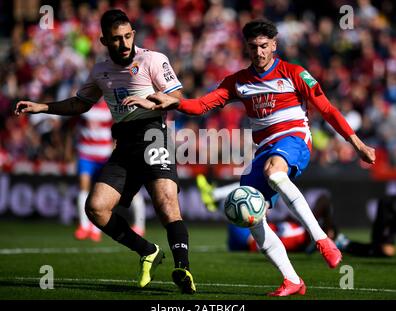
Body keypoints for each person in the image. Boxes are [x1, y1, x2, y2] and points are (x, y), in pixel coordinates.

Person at [129, 19, 376, 296]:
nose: (258, 52)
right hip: (265, 149)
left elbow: (328, 110)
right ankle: (292, 280)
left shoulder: (294, 73)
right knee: (252, 217)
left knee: (275, 172)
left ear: (274, 45)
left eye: (263, 46)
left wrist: (357, 144)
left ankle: (322, 240)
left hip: (294, 140)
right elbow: (202, 105)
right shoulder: (239, 82)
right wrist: (174, 101)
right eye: (252, 47)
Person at [15, 9, 195, 294]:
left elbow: (177, 98)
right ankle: (147, 250)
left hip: (153, 135)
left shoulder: (153, 59)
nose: (124, 44)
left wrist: (153, 103)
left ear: (133, 34)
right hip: (124, 144)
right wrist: (43, 107)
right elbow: (80, 103)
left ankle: (183, 267)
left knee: (166, 201)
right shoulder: (100, 71)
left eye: (127, 36)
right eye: (116, 39)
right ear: (103, 41)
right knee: (95, 208)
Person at [196, 174, 337, 253]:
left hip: (248, 238)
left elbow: (324, 201)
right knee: (253, 198)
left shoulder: (304, 238)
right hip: (242, 243)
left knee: (255, 190)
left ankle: (214, 196)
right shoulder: (301, 234)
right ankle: (215, 201)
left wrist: (328, 227)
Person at [74, 99, 146, 241]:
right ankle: (85, 226)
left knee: (120, 190)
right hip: (86, 153)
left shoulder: (111, 106)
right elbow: (75, 127)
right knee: (84, 187)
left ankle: (138, 225)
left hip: (105, 155)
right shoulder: (84, 104)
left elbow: (119, 128)